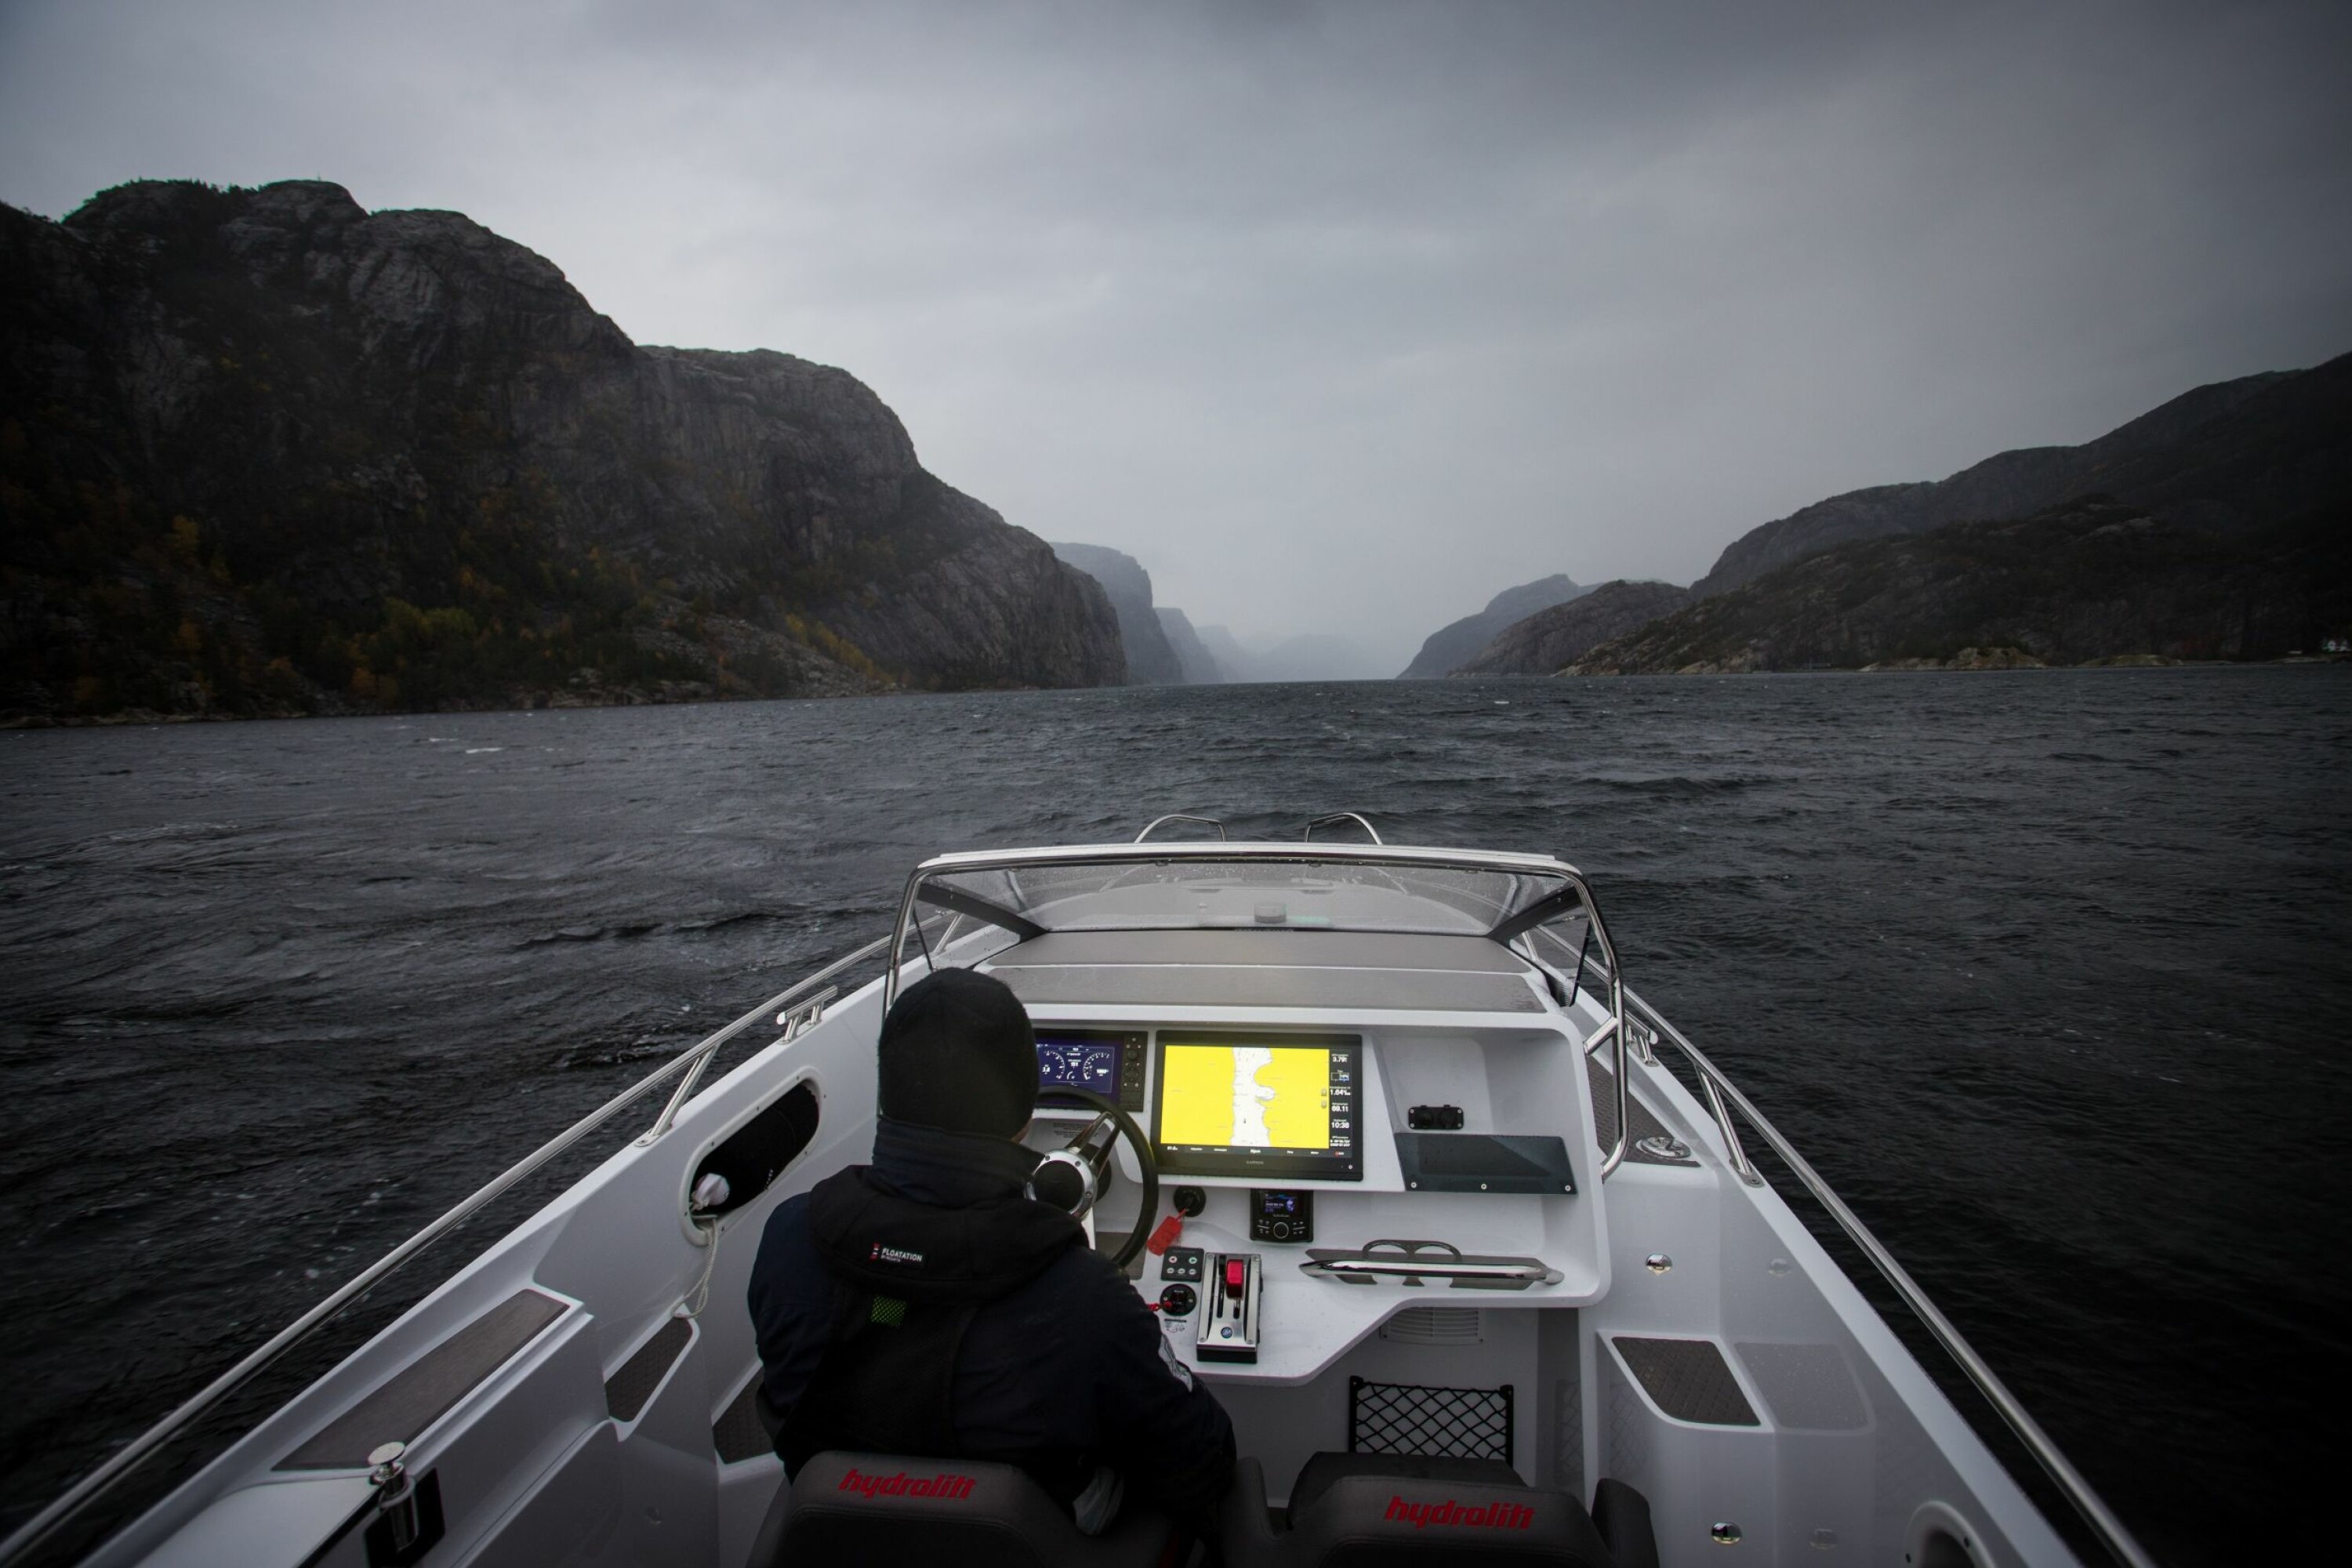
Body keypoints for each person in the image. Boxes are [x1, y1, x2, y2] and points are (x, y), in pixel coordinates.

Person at [746, 966, 1236, 1538]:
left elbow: (891, 1320)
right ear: (1027, 1114)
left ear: (887, 1094)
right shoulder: (1083, 1299)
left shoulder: (789, 1238)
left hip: (843, 1531)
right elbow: (1202, 1457)